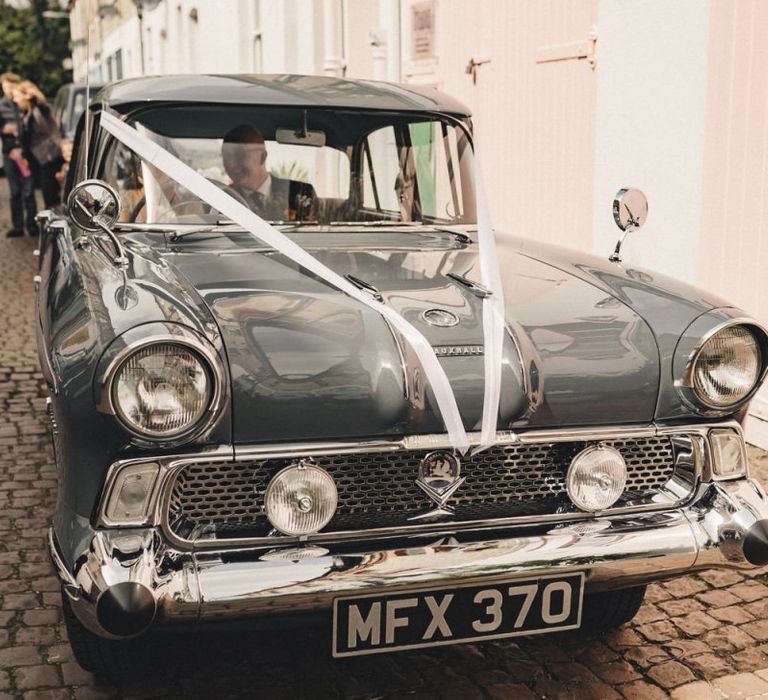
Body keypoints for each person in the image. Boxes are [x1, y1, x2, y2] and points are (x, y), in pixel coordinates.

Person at [221, 125, 315, 221]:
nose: (231, 164)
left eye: (239, 155)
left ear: (262, 157)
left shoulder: (300, 192)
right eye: (226, 156)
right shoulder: (222, 199)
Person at [14, 80, 64, 209]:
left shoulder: (40, 110)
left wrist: (35, 98)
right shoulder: (26, 113)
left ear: (27, 96)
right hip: (40, 160)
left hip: (50, 158)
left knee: (51, 198)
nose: (15, 100)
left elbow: (44, 109)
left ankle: (56, 224)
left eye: (17, 96)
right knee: (47, 196)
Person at [0, 72, 36, 237]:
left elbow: (31, 124)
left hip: (25, 154)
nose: (7, 90)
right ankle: (18, 227)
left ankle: (32, 225)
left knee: (29, 191)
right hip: (9, 154)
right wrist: (3, 130)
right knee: (15, 192)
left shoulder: (23, 103)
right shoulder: (1, 106)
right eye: (4, 87)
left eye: (10, 86)